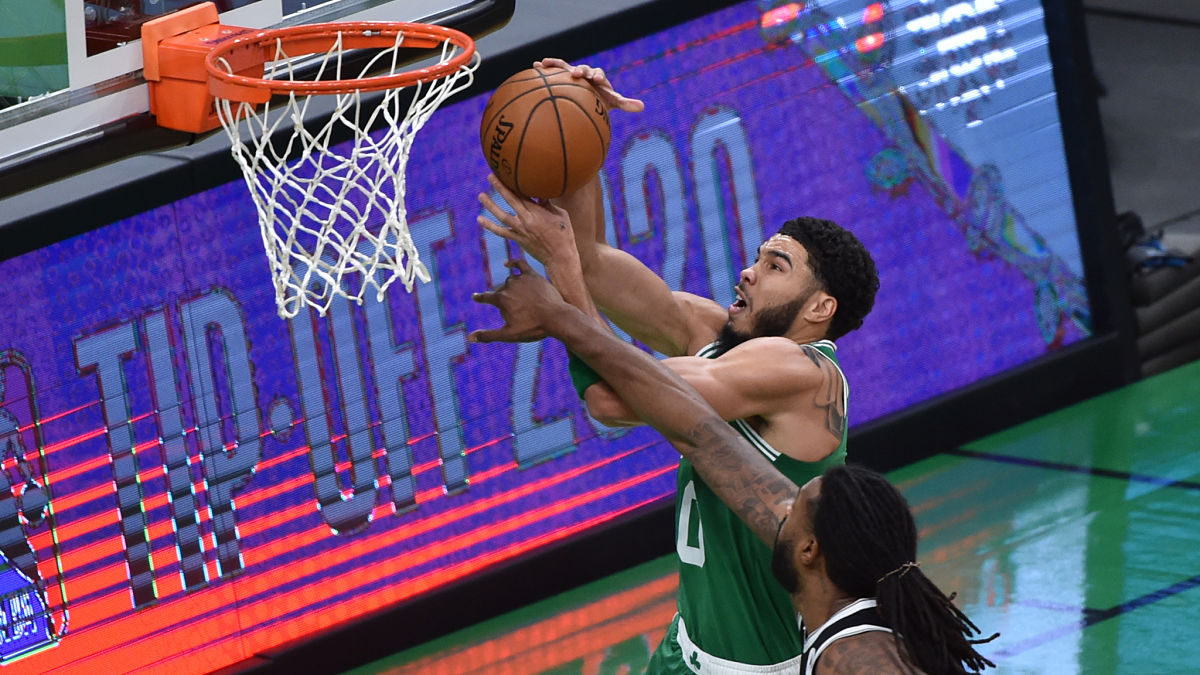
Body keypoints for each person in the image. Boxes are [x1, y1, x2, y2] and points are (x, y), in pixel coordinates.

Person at [475, 57, 881, 672]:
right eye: (758, 257)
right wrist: (587, 125)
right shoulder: (717, 333)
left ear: (820, 307)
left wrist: (560, 281)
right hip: (685, 650)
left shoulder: (802, 373)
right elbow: (585, 256)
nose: (749, 270)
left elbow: (612, 401)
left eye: (776, 267)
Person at [468, 261, 997, 674]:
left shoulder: (858, 661)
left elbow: (654, 415)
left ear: (809, 549)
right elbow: (699, 433)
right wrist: (562, 309)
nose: (777, 503)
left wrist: (564, 313)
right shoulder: (799, 540)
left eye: (790, 511)